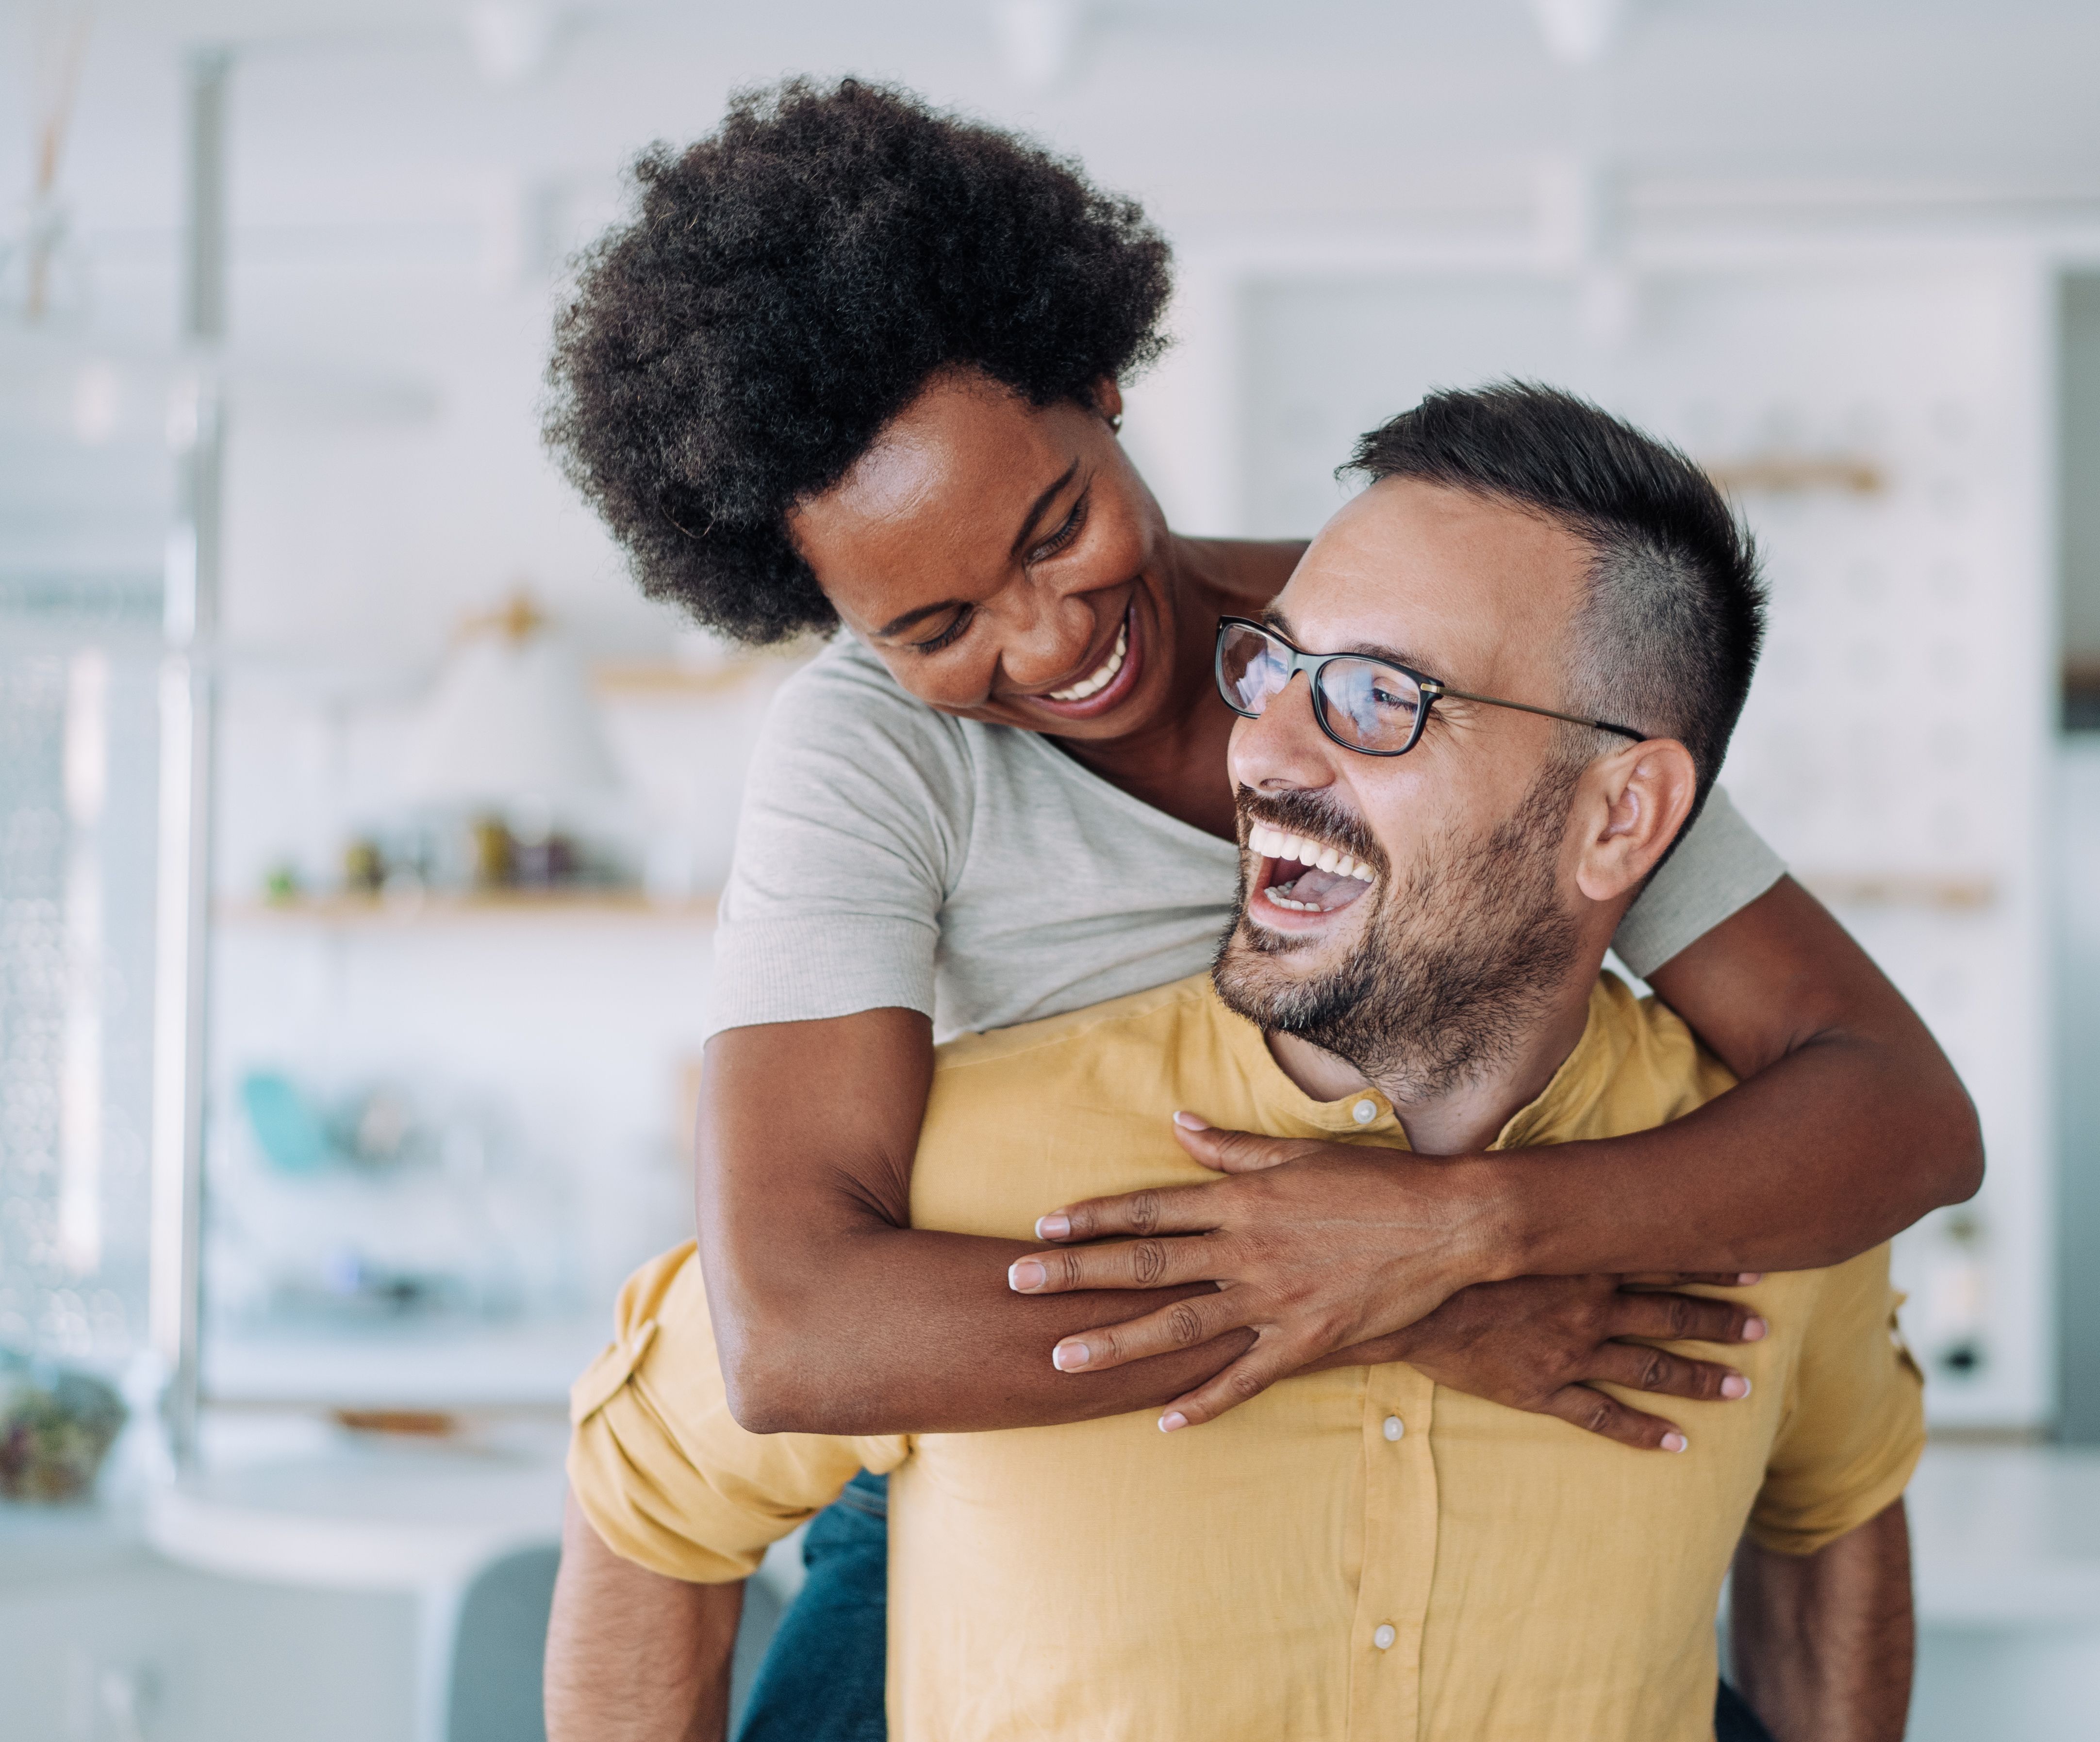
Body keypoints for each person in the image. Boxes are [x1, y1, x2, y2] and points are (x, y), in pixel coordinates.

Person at [543, 79, 1974, 1737]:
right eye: (936, 623)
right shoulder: (868, 753)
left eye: (1058, 525)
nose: (1046, 638)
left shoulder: (1428, 671)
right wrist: (1400, 1316)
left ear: (1100, 385)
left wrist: (1461, 1233)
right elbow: (794, 1332)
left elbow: (1893, 1107)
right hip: (1012, 1421)